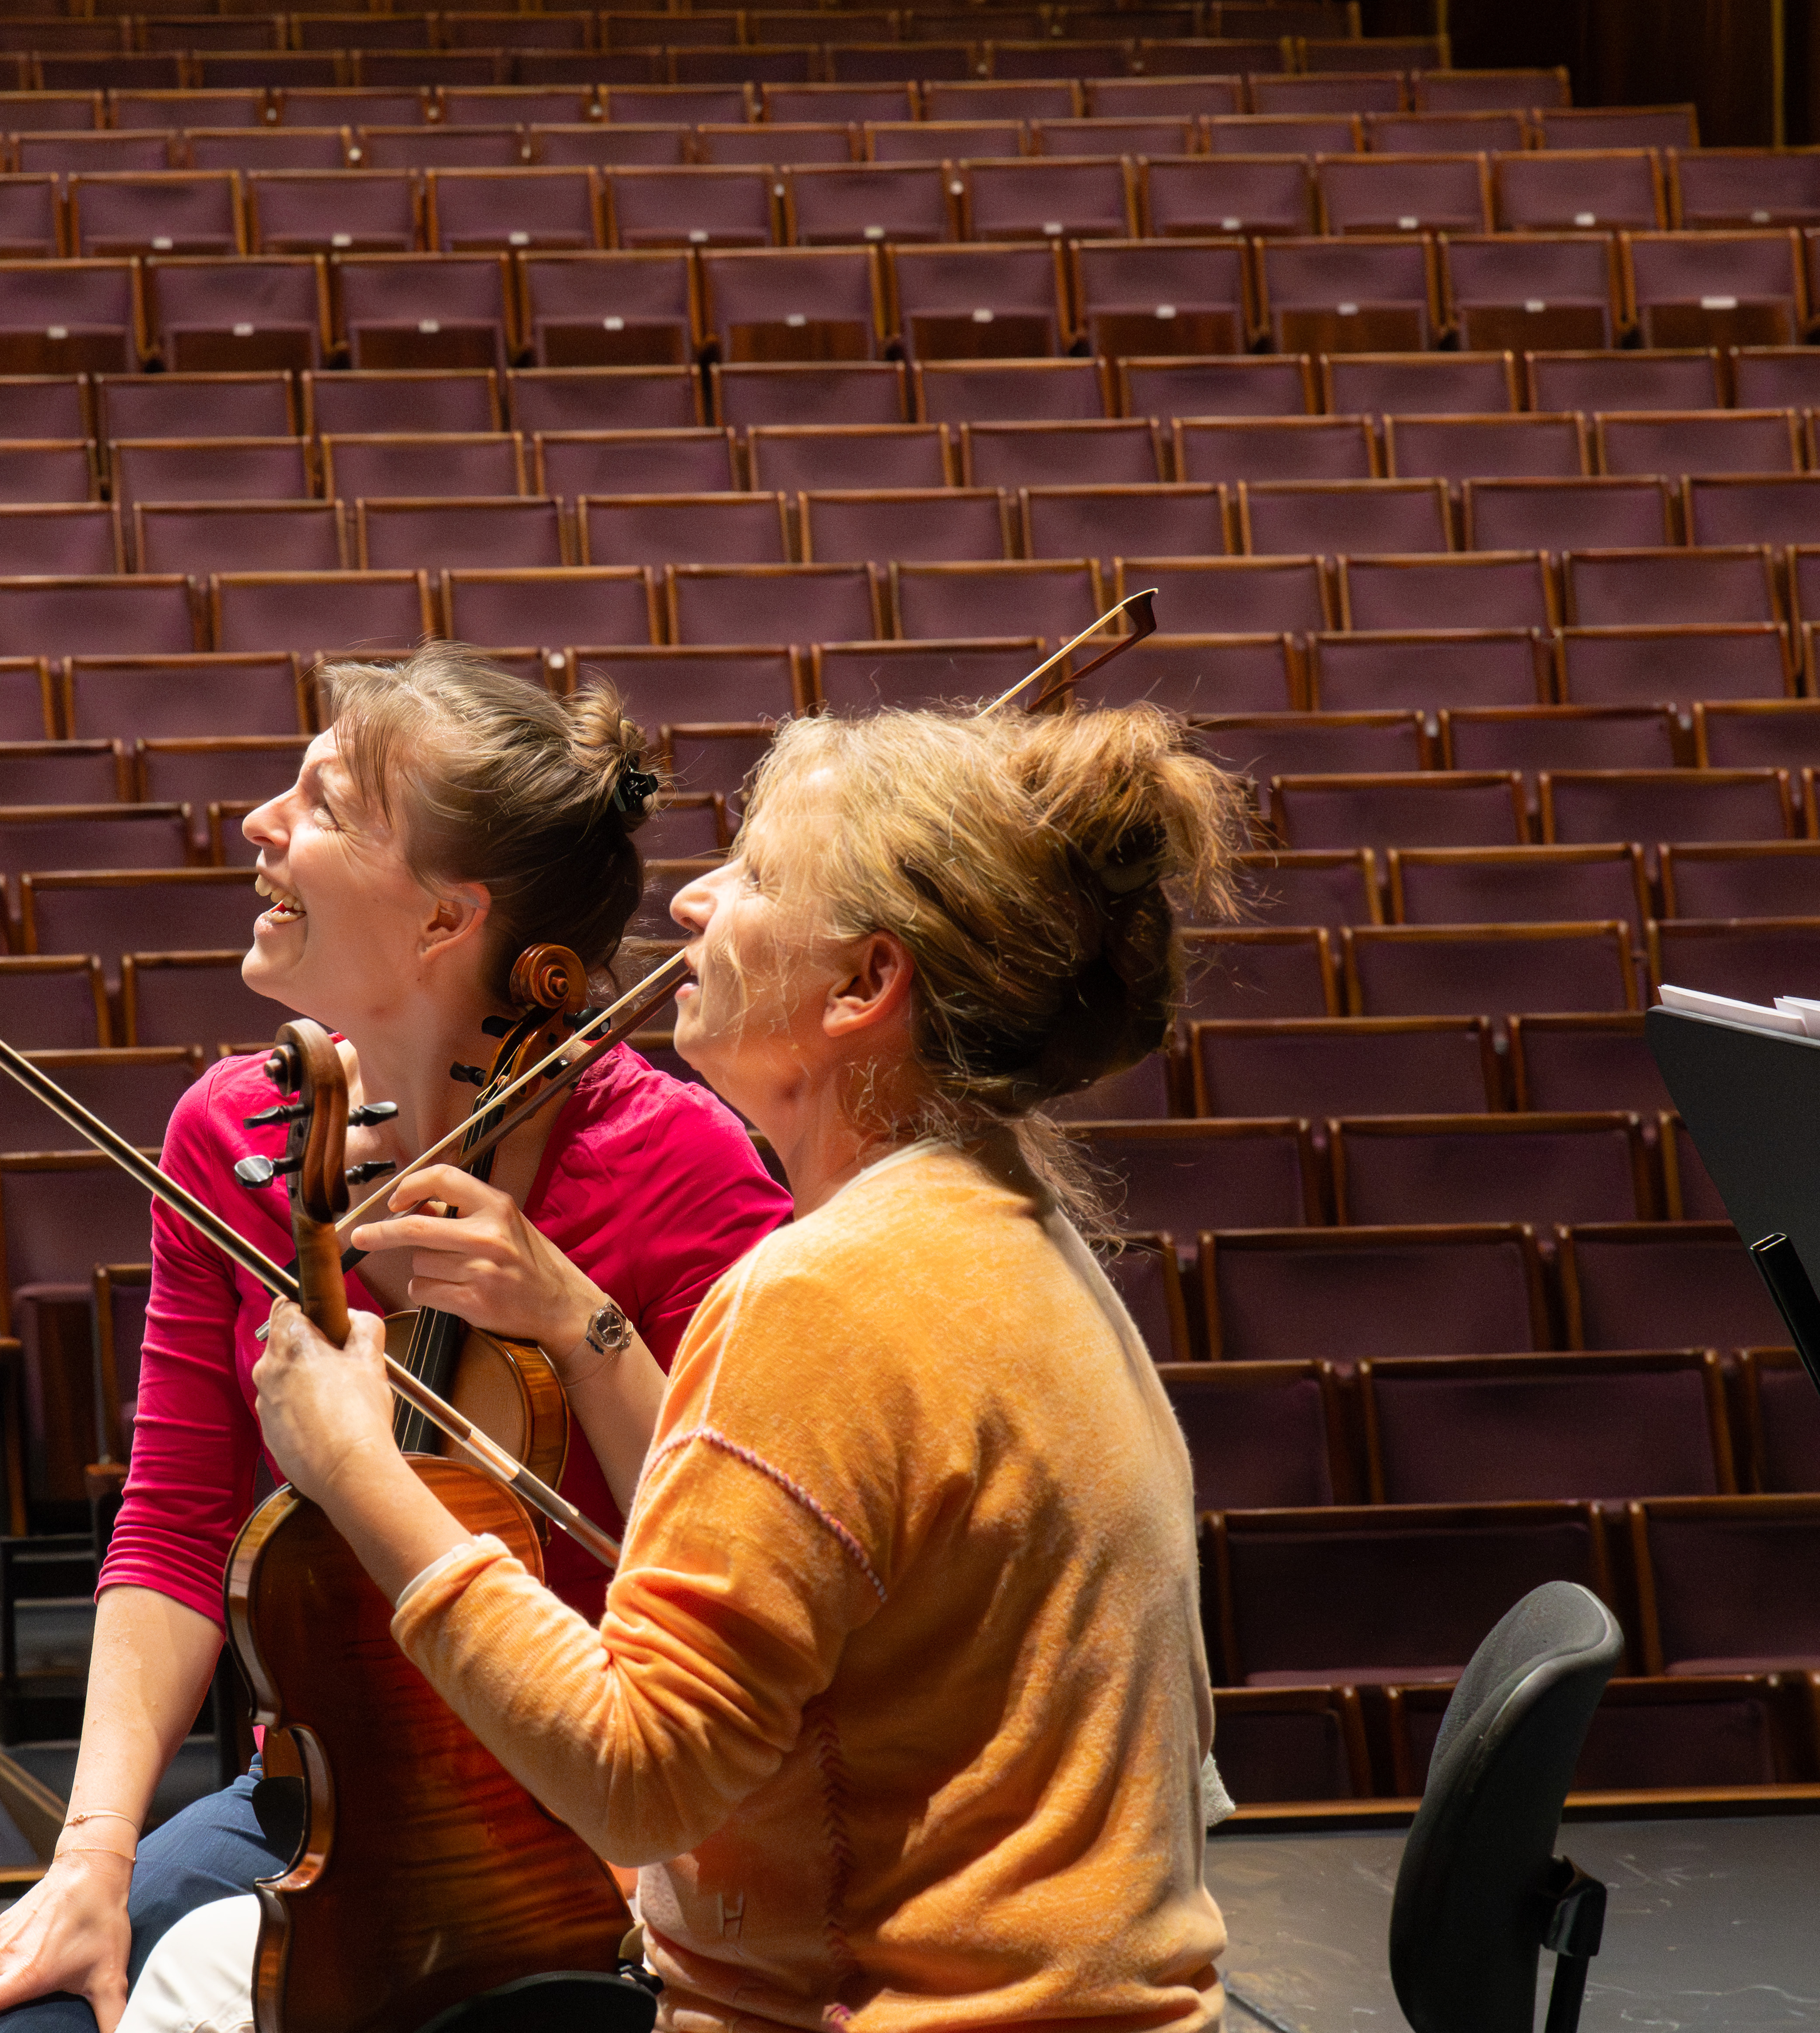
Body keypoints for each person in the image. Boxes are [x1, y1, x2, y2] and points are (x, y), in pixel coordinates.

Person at [116, 701, 1243, 2033]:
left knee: (211, 1977)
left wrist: (356, 1464)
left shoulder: (824, 1295)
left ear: (861, 988)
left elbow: (642, 1781)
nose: (698, 900)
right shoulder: (1010, 1238)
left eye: (758, 876)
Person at [0, 645, 793, 2033]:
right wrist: (92, 1858)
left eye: (318, 805)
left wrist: (579, 1321)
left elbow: (743, 1553)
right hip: (314, 1805)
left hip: (618, 1821)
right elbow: (179, 1526)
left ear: (445, 922)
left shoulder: (680, 1161)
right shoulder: (236, 1132)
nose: (259, 825)